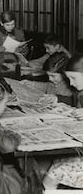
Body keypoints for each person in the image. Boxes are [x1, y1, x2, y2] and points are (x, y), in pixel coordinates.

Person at [43, 54, 83, 189]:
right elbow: (73, 101)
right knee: (58, 160)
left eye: (73, 78)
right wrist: (57, 98)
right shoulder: (80, 93)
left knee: (54, 173)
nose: (71, 83)